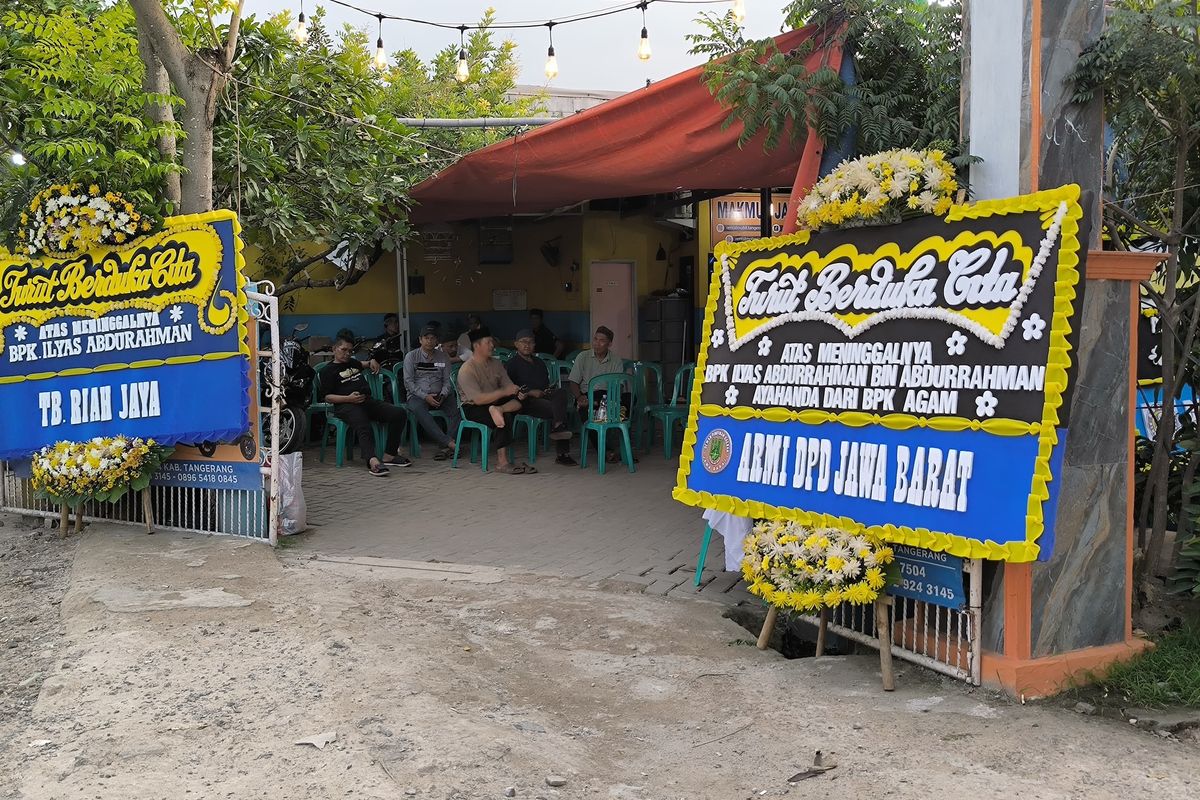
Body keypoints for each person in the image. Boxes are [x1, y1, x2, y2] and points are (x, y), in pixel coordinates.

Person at [318, 334, 412, 477]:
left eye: (350, 351)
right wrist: (348, 398)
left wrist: (371, 361)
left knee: (398, 413)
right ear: (334, 349)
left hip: (367, 401)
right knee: (363, 424)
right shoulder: (327, 370)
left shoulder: (352, 363)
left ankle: (389, 455)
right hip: (345, 405)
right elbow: (328, 397)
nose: (347, 353)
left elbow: (364, 364)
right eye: (343, 350)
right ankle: (372, 461)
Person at [456, 328, 532, 475]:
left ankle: (499, 409)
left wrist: (516, 391)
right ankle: (501, 463)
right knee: (504, 418)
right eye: (488, 342)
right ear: (477, 346)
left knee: (523, 400)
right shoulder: (466, 370)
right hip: (473, 407)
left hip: (496, 403)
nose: (492, 345)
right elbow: (477, 399)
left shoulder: (496, 363)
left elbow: (507, 384)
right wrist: (504, 392)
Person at [506, 329, 575, 466]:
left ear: (534, 345)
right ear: (516, 344)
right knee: (558, 410)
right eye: (523, 342)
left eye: (530, 342)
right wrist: (532, 392)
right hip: (525, 401)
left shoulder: (539, 363)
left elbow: (544, 384)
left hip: (543, 396)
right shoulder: (512, 364)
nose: (527, 345)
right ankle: (562, 454)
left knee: (560, 393)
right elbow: (509, 387)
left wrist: (546, 390)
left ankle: (558, 426)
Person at [568, 325, 635, 463]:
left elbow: (619, 385)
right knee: (590, 416)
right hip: (587, 395)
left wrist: (611, 400)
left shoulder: (615, 360)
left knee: (630, 397)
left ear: (609, 344)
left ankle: (617, 421)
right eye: (595, 339)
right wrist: (580, 398)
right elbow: (573, 382)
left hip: (609, 396)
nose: (597, 343)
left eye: (602, 340)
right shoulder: (583, 357)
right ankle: (607, 451)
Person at [402, 326, 460, 460]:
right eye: (426, 338)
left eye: (432, 338)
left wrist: (443, 394)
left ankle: (445, 448)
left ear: (436, 341)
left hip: (440, 395)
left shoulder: (443, 357)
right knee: (420, 411)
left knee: (456, 411)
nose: (429, 341)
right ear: (420, 340)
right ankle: (448, 443)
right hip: (417, 396)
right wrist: (425, 396)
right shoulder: (411, 356)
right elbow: (408, 383)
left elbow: (447, 381)